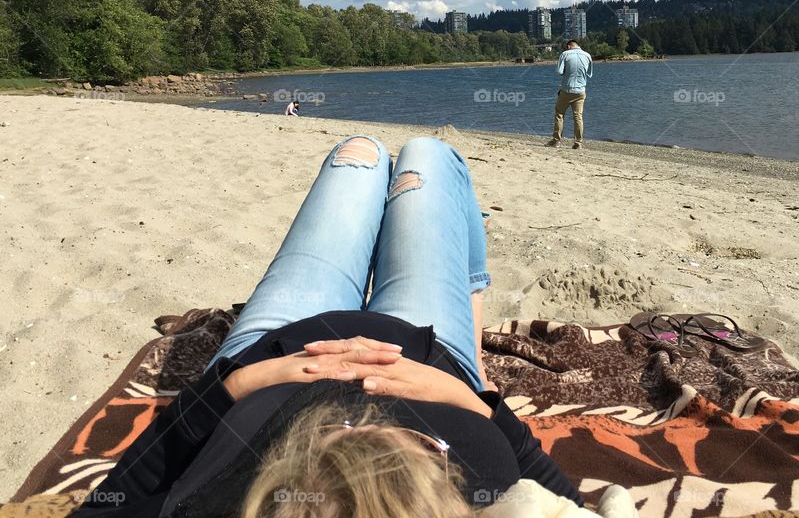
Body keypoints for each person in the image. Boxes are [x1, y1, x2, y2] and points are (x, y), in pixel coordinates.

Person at [76, 136, 581, 518]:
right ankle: (472, 315)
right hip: (433, 350)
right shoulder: (497, 498)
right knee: (429, 155)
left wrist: (238, 385)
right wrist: (479, 406)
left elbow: (101, 507)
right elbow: (565, 498)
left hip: (276, 344)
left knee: (358, 155)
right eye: (427, 448)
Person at [547, 40, 593, 149]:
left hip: (566, 90)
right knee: (578, 117)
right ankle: (578, 142)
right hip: (580, 91)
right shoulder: (588, 56)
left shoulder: (565, 54)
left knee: (559, 114)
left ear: (569, 46)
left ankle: (556, 141)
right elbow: (589, 74)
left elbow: (559, 71)